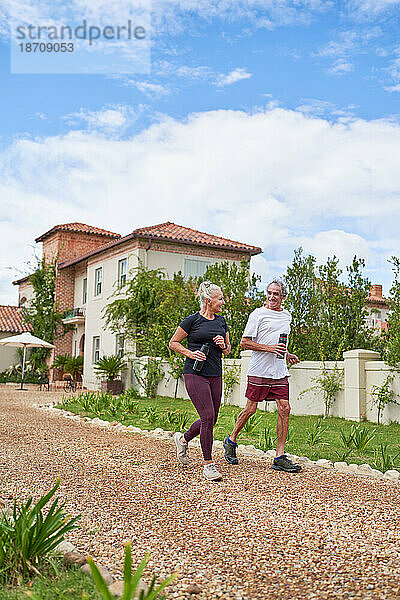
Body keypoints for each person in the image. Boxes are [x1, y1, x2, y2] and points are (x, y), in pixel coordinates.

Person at [223, 279, 302, 473]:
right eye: (269, 293)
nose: (272, 296)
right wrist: (269, 349)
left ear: (283, 296)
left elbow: (280, 342)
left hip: (279, 371)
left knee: (285, 408)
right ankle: (231, 441)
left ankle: (279, 456)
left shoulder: (287, 317)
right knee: (250, 409)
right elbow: (244, 342)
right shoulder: (257, 314)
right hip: (259, 370)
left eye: (276, 294)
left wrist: (287, 353)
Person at [169, 281, 231, 481]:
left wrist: (223, 345)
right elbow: (173, 343)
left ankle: (184, 439)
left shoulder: (221, 322)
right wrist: (191, 353)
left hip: (215, 374)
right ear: (208, 300)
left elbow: (228, 349)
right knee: (206, 416)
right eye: (220, 298)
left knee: (212, 419)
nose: (223, 302)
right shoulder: (192, 321)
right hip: (195, 374)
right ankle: (208, 465)